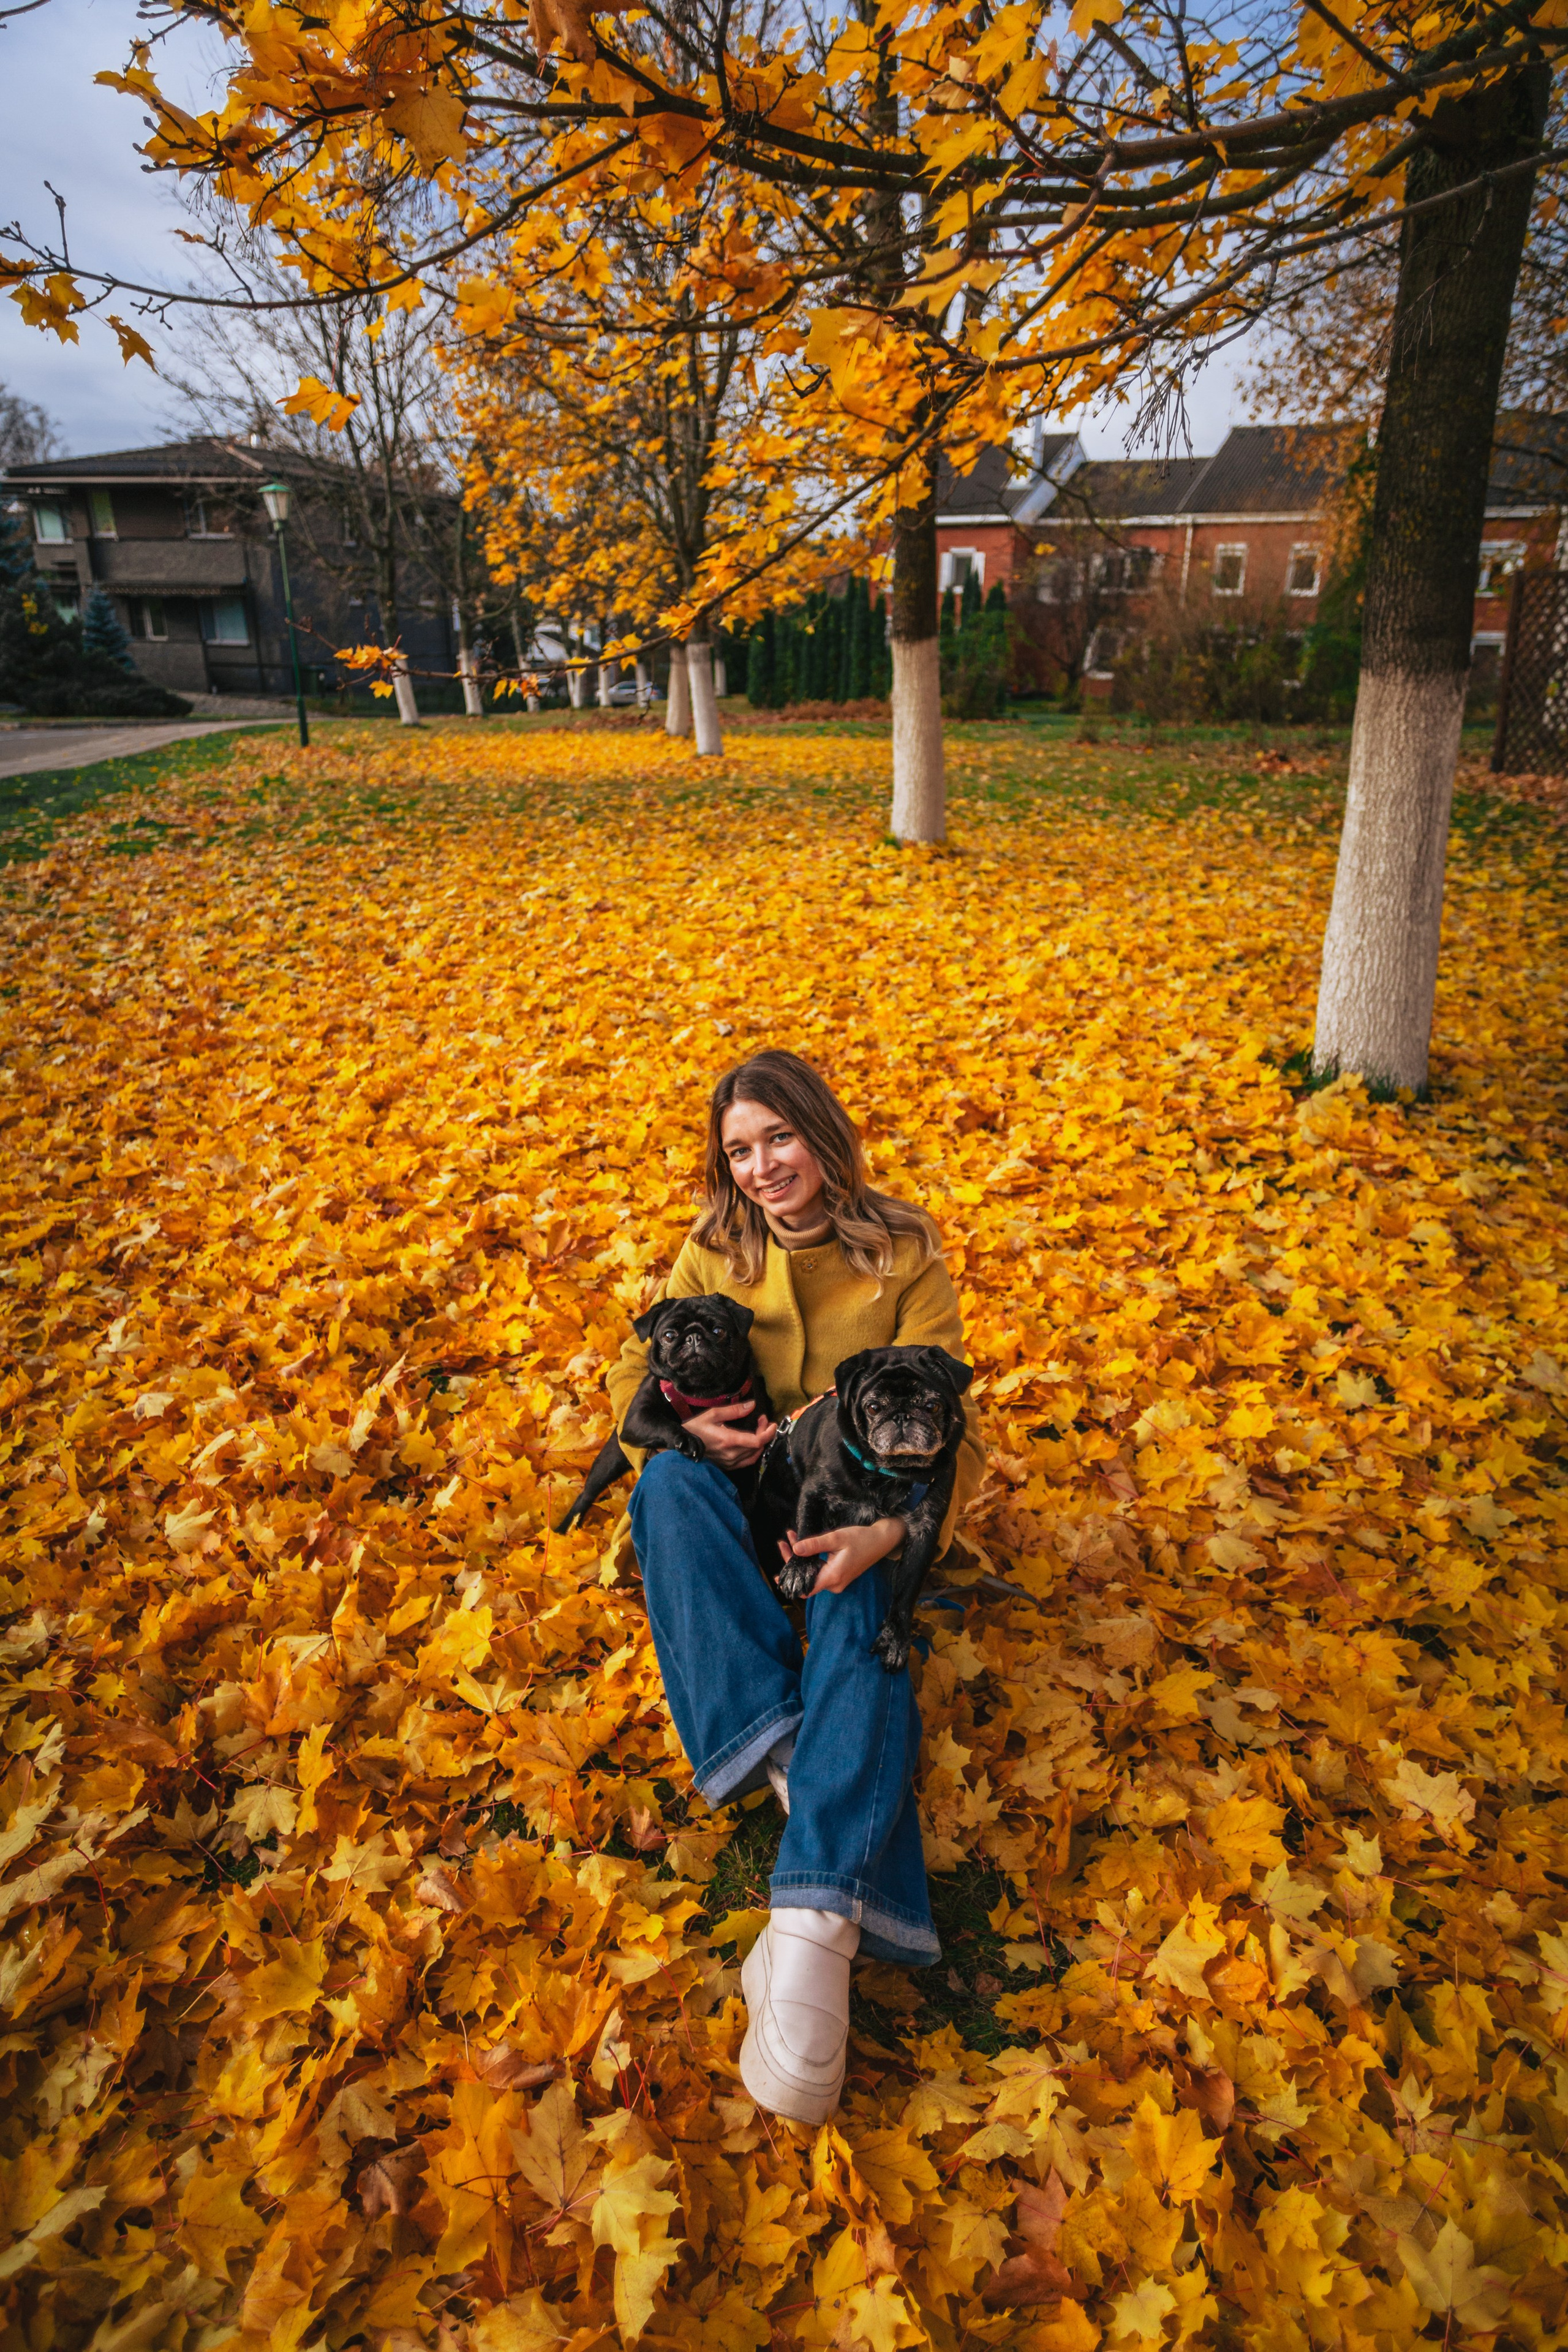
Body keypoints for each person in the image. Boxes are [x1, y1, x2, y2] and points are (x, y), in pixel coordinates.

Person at [605, 1049, 983, 2124]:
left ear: (820, 1132)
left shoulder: (904, 1249)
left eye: (778, 1137)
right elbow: (631, 1375)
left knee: (859, 1580)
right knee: (666, 1492)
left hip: (853, 1507)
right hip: (738, 1502)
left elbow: (960, 1426)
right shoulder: (713, 1248)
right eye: (740, 1149)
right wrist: (683, 1424)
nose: (763, 1165)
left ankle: (811, 1932)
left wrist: (895, 1527)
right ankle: (796, 1760)